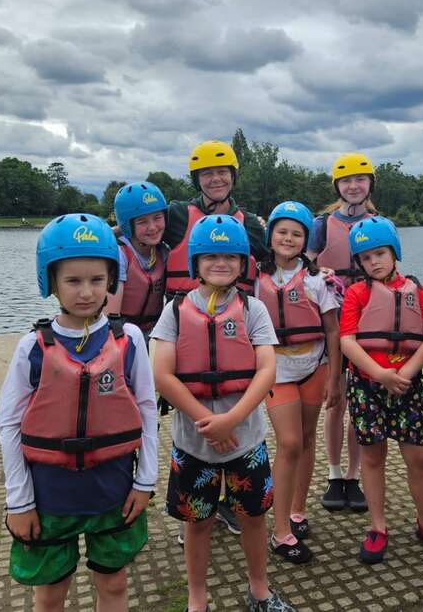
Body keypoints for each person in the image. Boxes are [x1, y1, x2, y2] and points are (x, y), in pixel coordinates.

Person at [0, 213, 158, 612]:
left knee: (114, 584)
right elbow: (9, 425)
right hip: (51, 495)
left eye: (96, 280)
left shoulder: (130, 338)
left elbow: (147, 411)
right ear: (50, 281)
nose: (86, 292)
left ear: (111, 281)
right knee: (50, 593)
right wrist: (19, 501)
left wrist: (145, 481)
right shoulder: (31, 348)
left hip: (113, 489)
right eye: (73, 281)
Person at [151, 215, 296, 612]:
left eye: (231, 256)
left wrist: (232, 420)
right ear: (196, 262)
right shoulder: (175, 311)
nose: (222, 263)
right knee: (197, 523)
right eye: (212, 255)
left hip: (246, 441)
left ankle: (260, 590)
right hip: (193, 444)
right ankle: (197, 599)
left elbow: (267, 368)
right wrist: (209, 423)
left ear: (243, 262)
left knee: (253, 518)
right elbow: (162, 375)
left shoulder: (252, 309)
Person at [339, 216, 423, 564]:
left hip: (408, 387)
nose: (374, 262)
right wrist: (381, 374)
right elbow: (348, 342)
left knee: (418, 456)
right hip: (368, 387)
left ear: (394, 252)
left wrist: (407, 373)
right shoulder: (355, 294)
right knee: (373, 456)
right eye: (365, 258)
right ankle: (378, 526)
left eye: (380, 253)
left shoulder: (416, 290)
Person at [255, 201, 341, 564]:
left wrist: (335, 378)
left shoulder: (319, 280)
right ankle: (279, 532)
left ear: (306, 239)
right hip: (277, 370)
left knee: (305, 440)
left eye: (296, 233)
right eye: (282, 231)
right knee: (289, 443)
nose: (288, 238)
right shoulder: (254, 280)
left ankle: (297, 511)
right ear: (270, 235)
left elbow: (333, 332)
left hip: (314, 367)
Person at [307, 152, 379, 513]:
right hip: (331, 318)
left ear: (369, 185)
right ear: (338, 186)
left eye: (360, 180)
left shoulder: (381, 222)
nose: (353, 186)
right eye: (346, 181)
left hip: (367, 319)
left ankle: (353, 475)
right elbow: (306, 267)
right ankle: (334, 473)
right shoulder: (322, 225)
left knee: (359, 404)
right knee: (334, 399)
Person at [163, 140, 268, 298]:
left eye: (222, 172)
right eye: (207, 174)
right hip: (181, 314)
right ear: (197, 180)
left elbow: (277, 262)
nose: (216, 179)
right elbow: (137, 227)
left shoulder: (250, 224)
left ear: (233, 176)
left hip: (234, 317)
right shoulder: (177, 215)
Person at [106, 181, 168, 338]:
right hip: (122, 334)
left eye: (157, 218)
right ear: (127, 225)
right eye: (142, 222)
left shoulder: (163, 251)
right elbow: (110, 318)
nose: (153, 227)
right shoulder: (119, 254)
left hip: (154, 334)